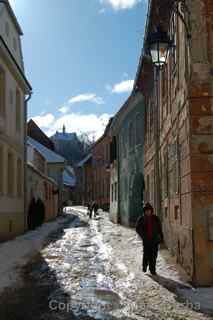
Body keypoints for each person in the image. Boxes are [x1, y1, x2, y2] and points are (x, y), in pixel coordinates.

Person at [136, 202, 163, 275]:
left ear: (151, 211)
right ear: (144, 211)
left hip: (154, 240)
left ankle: (152, 269)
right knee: (146, 255)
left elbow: (159, 228)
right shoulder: (141, 219)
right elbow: (138, 228)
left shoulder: (155, 218)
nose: (148, 212)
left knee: (154, 255)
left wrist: (161, 237)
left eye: (149, 210)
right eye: (146, 211)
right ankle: (144, 266)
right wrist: (143, 236)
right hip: (146, 240)